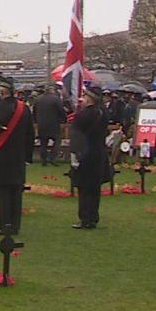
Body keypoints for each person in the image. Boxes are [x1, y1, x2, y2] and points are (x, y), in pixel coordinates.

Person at [0, 76, 34, 235]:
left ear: (2, 91)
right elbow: (30, 134)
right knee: (16, 192)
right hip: (19, 156)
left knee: (3, 192)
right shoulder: (24, 108)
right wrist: (28, 157)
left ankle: (4, 225)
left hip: (3, 155)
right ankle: (15, 226)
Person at [70, 87, 110, 229]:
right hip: (99, 153)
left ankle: (85, 217)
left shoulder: (84, 115)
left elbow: (76, 134)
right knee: (94, 188)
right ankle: (93, 217)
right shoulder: (103, 112)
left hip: (85, 154)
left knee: (84, 188)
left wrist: (75, 154)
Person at [33, 85, 65, 165]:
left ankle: (43, 160)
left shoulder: (38, 99)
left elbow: (34, 111)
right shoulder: (56, 99)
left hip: (42, 124)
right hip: (54, 124)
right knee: (57, 141)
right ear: (52, 90)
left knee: (43, 143)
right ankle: (52, 157)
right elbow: (61, 110)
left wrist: (36, 121)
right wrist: (63, 120)